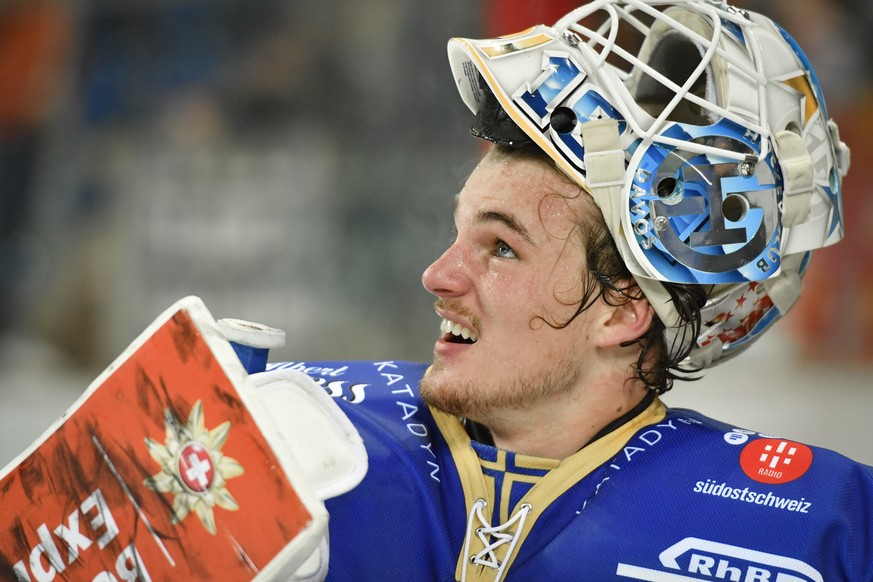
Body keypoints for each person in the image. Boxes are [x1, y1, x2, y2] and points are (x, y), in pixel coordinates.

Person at [264, 0, 873, 579]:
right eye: (458, 234)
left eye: (502, 248)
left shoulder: (828, 529)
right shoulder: (274, 423)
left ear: (624, 307)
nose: (437, 277)